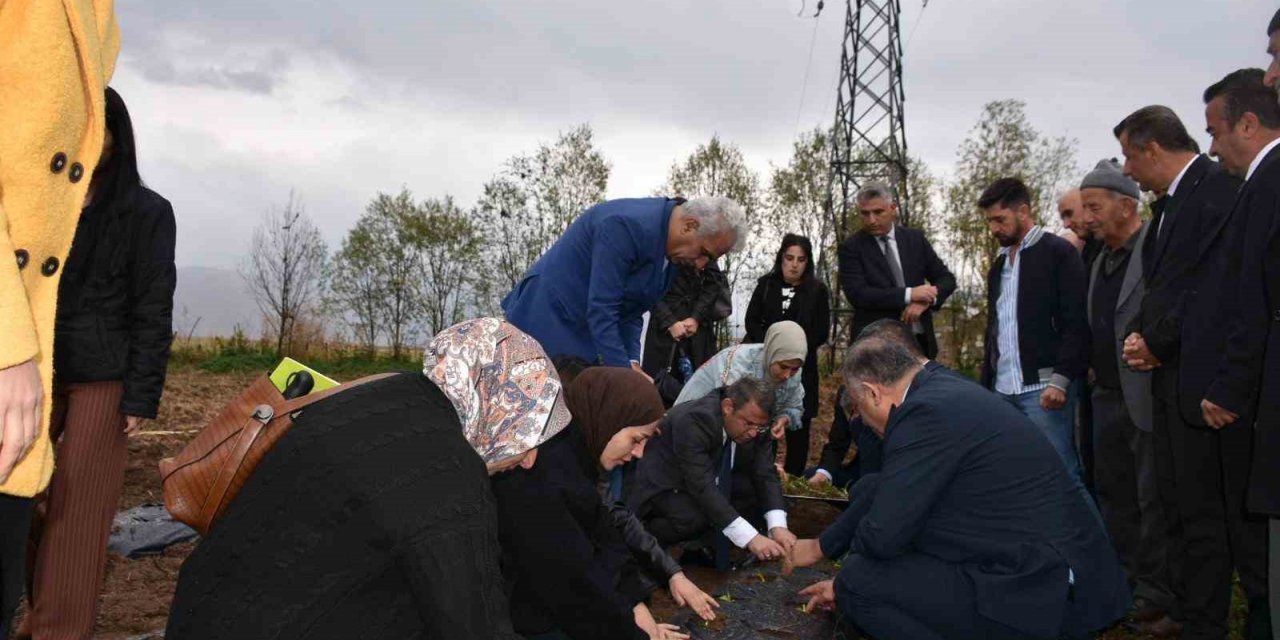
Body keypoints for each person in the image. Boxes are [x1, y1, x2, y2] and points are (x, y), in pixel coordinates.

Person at [167, 319, 570, 639]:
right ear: (501, 408)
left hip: (201, 610)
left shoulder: (380, 394)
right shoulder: (448, 470)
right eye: (530, 432)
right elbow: (474, 624)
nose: (531, 459)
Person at [787, 337, 1129, 640]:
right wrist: (827, 545)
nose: (862, 421)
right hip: (1047, 566)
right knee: (872, 495)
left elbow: (882, 538)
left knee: (859, 583)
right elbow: (884, 493)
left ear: (873, 392)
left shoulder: (922, 413)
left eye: (859, 409)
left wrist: (842, 580)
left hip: (1043, 588)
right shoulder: (943, 388)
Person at [15, 87, 176, 640]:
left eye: (92, 126)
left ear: (114, 136)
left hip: (105, 380)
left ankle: (59, 632)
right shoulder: (41, 202)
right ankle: (39, 614)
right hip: (30, 368)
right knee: (22, 504)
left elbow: (153, 305)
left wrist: (139, 395)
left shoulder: (148, 213)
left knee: (78, 518)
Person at [1114, 101, 1269, 638]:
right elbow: (1162, 286)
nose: (1128, 171)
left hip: (1205, 384)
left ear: (1153, 149)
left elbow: (1213, 288)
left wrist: (1159, 341)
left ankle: (1206, 622)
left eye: (1130, 158)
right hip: (1169, 381)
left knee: (1206, 518)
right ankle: (1183, 610)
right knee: (1175, 506)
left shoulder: (1218, 190)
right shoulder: (1170, 206)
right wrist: (1143, 335)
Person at [0, 4, 120, 637]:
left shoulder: (103, 18)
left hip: (70, 370)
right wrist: (8, 348)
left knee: (71, 514)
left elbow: (151, 303)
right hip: (18, 362)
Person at [1193, 69, 1277, 639]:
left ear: (1247, 124)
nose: (1213, 146)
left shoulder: (1269, 182)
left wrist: (1230, 386)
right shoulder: (1260, 181)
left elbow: (1257, 299)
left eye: (1216, 132)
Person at [1079, 159, 1176, 634]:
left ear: (1125, 205)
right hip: (1105, 397)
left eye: (1095, 207)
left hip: (1147, 398)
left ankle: (1158, 594)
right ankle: (1122, 583)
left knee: (1150, 497)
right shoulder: (1100, 259)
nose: (1087, 217)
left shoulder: (1155, 248)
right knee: (1113, 495)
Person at [502, 196, 745, 375]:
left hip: (582, 330)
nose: (701, 265)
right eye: (703, 252)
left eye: (710, 259)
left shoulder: (672, 252)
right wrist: (624, 377)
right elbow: (603, 309)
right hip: (545, 321)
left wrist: (631, 361)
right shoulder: (624, 225)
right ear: (689, 225)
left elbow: (632, 309)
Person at [563, 367, 719, 623]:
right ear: (610, 419)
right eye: (636, 439)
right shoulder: (555, 472)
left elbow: (615, 517)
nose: (639, 453)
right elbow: (584, 558)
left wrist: (672, 574)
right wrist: (632, 611)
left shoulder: (586, 458)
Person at [978, 177, 1089, 481]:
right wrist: (987, 388)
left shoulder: (1058, 253)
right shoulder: (998, 266)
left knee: (1062, 473)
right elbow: (996, 331)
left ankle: (1082, 530)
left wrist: (1061, 380)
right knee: (1014, 476)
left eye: (1000, 219)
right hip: (1003, 392)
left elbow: (1075, 321)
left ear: (1023, 211)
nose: (994, 228)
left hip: (1044, 390)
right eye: (990, 221)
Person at [627, 378, 793, 562]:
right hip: (664, 483)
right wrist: (750, 538)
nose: (754, 433)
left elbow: (765, 474)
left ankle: (706, 550)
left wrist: (778, 526)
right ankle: (645, 542)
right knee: (693, 518)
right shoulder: (695, 420)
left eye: (760, 427)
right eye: (749, 424)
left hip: (707, 477)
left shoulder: (757, 421)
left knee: (755, 498)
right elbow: (701, 485)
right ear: (728, 407)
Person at [807, 319, 942, 491]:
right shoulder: (847, 390)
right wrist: (824, 473)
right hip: (860, 468)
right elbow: (838, 442)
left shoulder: (908, 395)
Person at [744, 234, 831, 475]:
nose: (794, 264)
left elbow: (821, 331)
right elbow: (752, 321)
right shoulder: (766, 285)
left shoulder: (817, 291)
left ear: (808, 262)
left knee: (798, 425)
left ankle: (792, 478)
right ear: (781, 258)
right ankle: (761, 475)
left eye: (800, 259)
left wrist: (795, 352)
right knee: (762, 417)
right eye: (789, 258)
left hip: (803, 367)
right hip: (765, 365)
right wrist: (771, 350)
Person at [838, 181, 955, 359]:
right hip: (876, 347)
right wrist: (910, 294)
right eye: (865, 213)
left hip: (920, 343)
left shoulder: (915, 240)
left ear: (893, 208)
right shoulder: (852, 248)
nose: (871, 220)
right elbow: (858, 294)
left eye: (878, 212)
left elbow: (946, 279)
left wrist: (925, 302)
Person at [674, 321, 806, 440]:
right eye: (783, 367)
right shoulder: (738, 363)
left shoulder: (794, 376)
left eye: (794, 369)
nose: (787, 375)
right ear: (771, 354)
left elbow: (794, 405)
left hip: (744, 433)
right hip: (695, 425)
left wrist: (784, 419)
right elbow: (729, 412)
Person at [640, 261, 730, 389]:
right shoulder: (658, 248)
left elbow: (714, 282)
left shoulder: (706, 250)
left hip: (698, 332)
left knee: (702, 390)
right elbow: (647, 287)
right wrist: (669, 321)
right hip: (662, 331)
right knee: (658, 388)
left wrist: (696, 318)